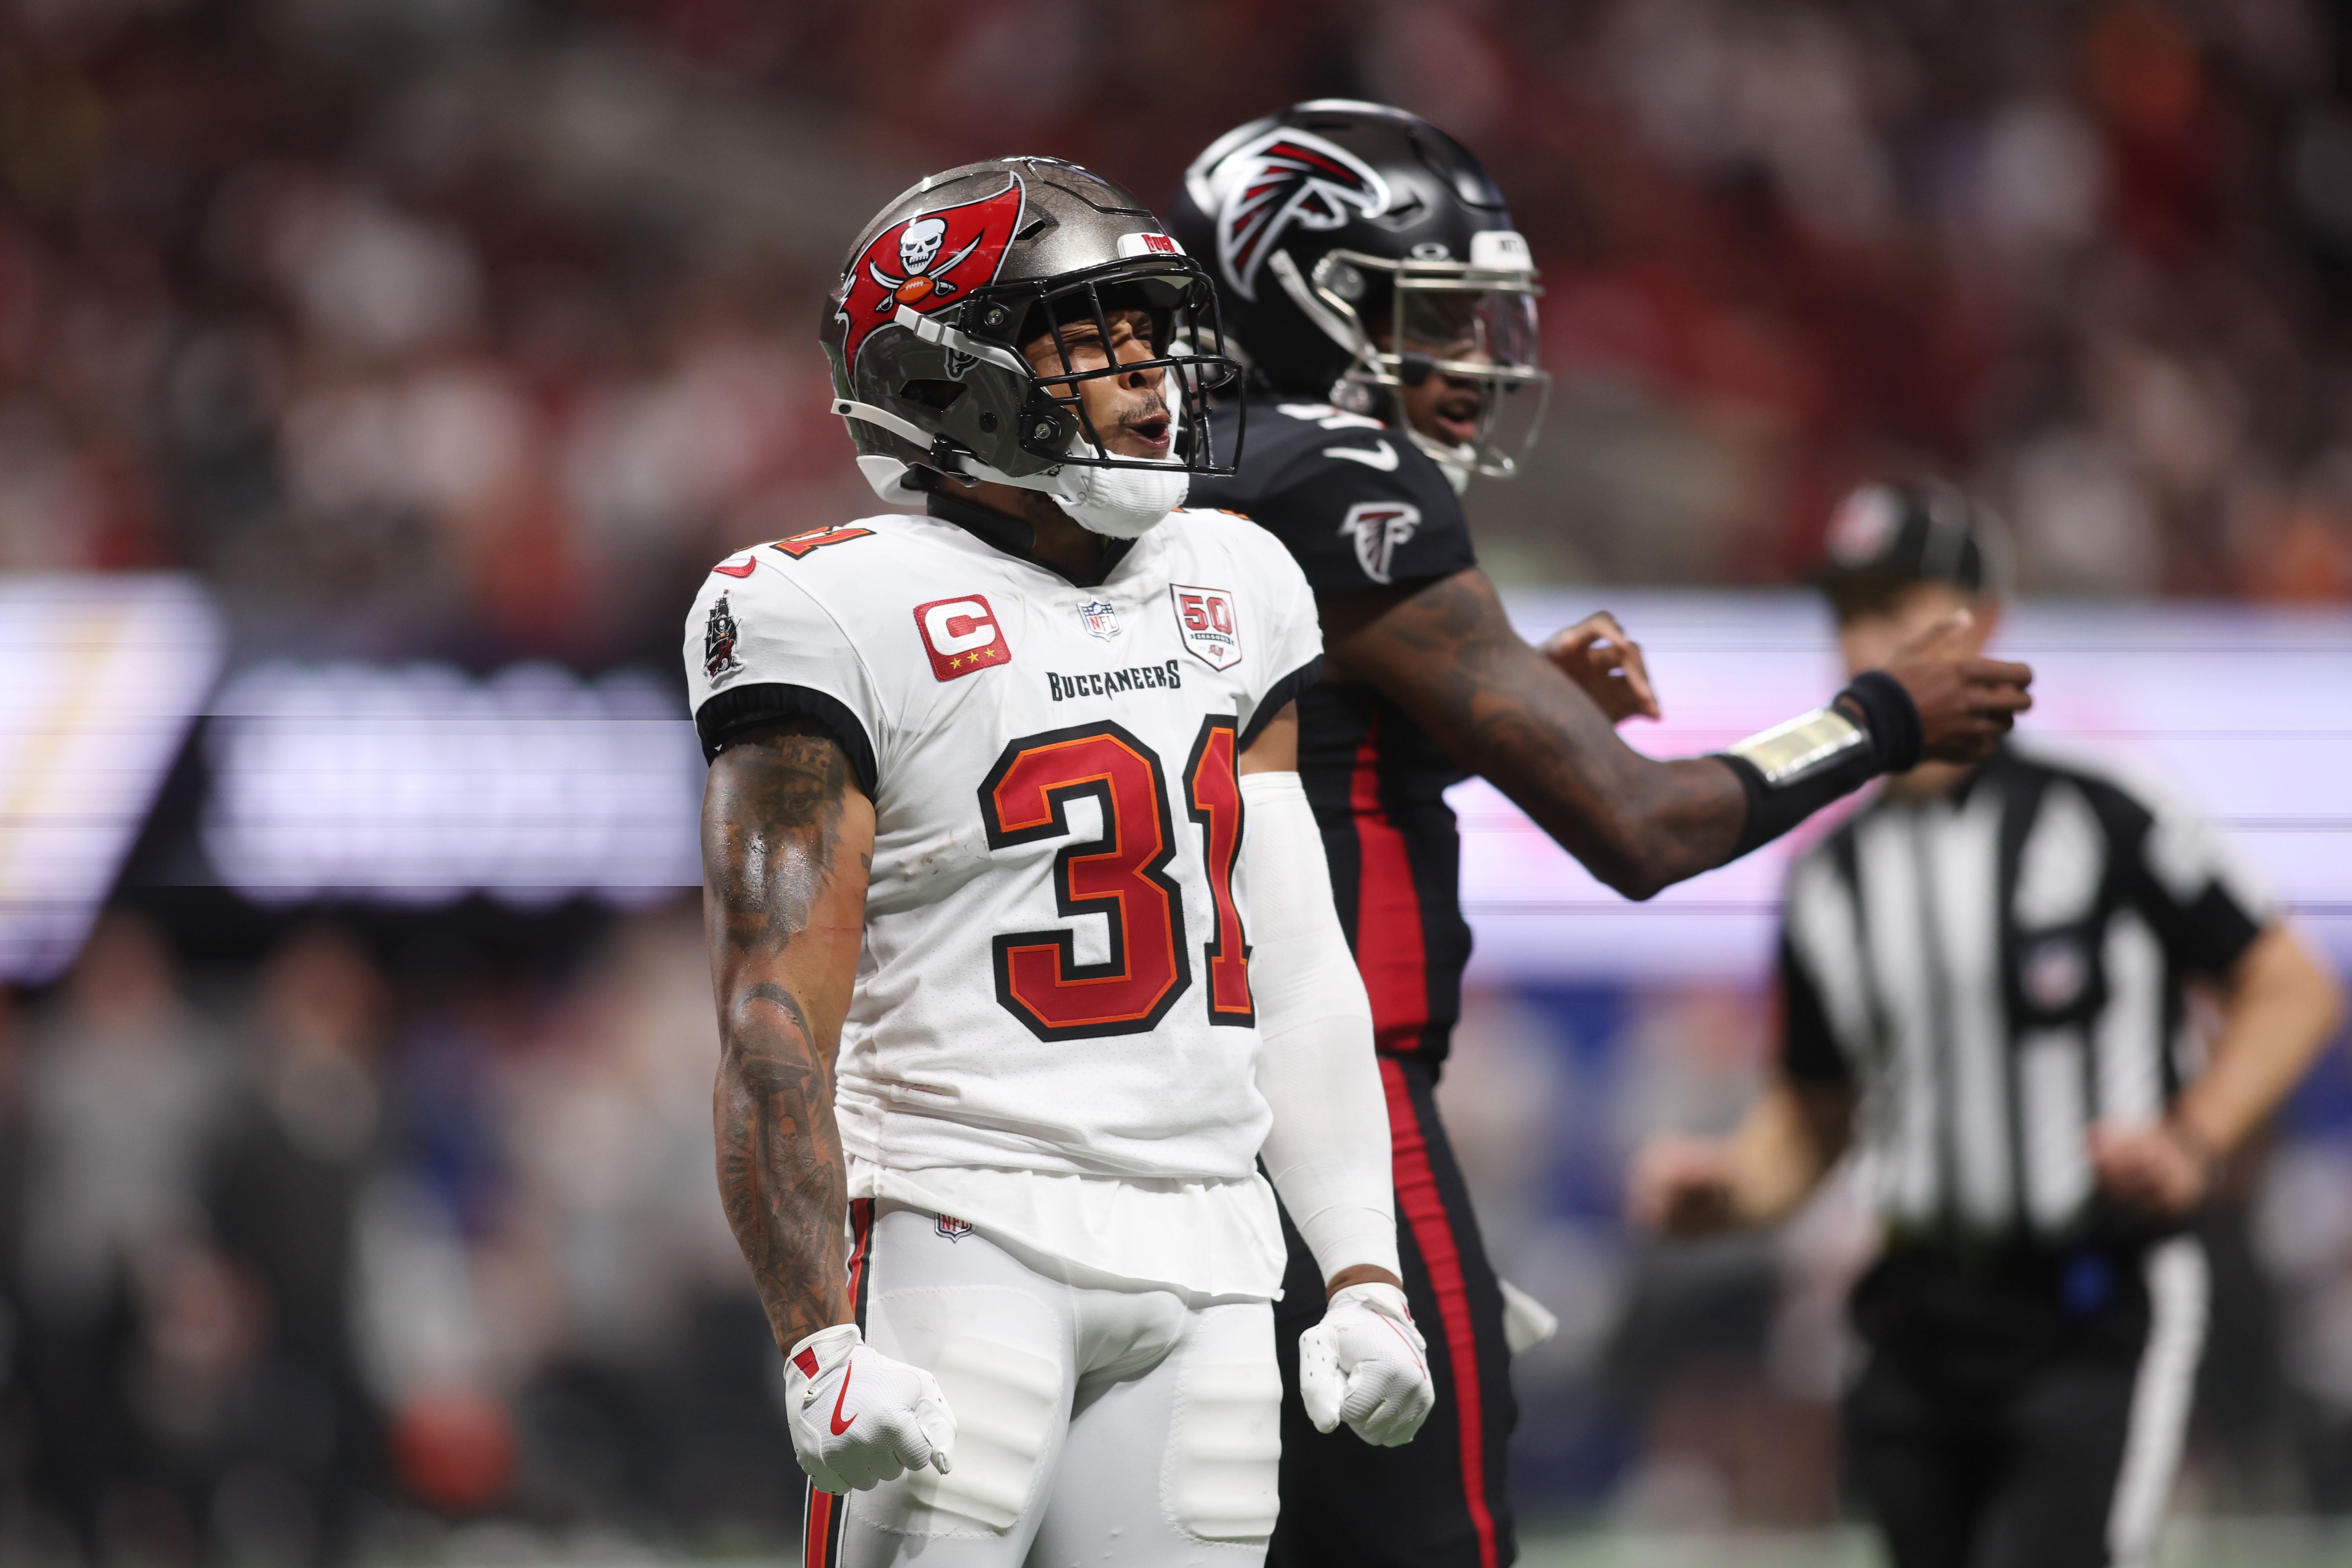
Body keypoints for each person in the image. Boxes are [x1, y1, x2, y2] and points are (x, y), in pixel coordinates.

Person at [1168, 102, 2037, 1568]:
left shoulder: (1162, 482)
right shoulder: (1336, 477)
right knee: (1431, 1540)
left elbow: (1262, 775)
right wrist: (1881, 715)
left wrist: (1433, 731)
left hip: (1145, 1118)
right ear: (1293, 298)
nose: (1472, 360)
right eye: (1425, 314)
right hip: (1331, 1117)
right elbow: (1638, 829)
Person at [686, 157, 1434, 1568]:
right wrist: (814, 1339)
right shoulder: (819, 608)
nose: (1149, 377)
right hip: (956, 1224)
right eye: (1090, 338)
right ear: (946, 377)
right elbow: (771, 1015)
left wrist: (1363, 1270)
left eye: (1153, 335)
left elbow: (1293, 956)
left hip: (1212, 1248)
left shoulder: (1237, 578)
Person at [1629, 481, 2346, 1568]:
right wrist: (1730, 1191)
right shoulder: (1828, 874)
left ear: (1983, 621)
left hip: (2088, 1301)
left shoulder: (2101, 812)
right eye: (1847, 613)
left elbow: (2287, 985)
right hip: (1912, 1315)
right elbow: (1815, 1116)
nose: (1865, 638)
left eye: (1894, 605)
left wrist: (2192, 1141)